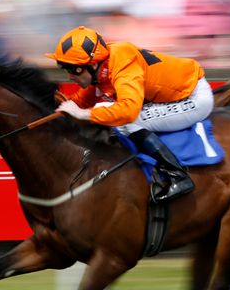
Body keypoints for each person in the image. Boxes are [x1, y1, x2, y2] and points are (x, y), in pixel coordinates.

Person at [46, 25, 214, 201]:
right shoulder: (102, 67)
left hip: (193, 99)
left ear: (93, 64)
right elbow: (79, 102)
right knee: (105, 112)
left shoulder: (122, 63)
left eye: (74, 69)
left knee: (123, 121)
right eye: (65, 68)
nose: (70, 76)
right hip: (171, 97)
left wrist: (83, 115)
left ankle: (178, 176)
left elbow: (128, 111)